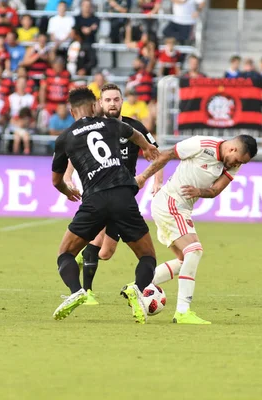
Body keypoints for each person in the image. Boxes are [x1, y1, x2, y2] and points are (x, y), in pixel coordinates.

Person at [51, 87, 159, 324]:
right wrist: (149, 148)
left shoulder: (64, 138)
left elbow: (56, 180)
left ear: (71, 111)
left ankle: (77, 291)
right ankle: (137, 289)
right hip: (124, 196)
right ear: (95, 106)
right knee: (147, 257)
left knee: (65, 254)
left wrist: (66, 190)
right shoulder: (110, 124)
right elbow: (135, 135)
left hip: (94, 201)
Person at [135, 135, 258, 324]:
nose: (238, 164)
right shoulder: (201, 144)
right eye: (239, 160)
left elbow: (216, 190)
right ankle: (183, 311)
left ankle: (136, 288)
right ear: (233, 149)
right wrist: (144, 176)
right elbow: (168, 154)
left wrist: (199, 192)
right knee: (194, 250)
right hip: (170, 202)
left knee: (185, 259)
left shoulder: (233, 164)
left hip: (181, 208)